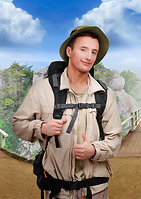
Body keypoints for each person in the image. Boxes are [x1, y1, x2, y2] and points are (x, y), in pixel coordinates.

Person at [12, 26, 122, 199]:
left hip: (96, 191)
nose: (88, 57)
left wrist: (94, 150)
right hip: (57, 191)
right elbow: (18, 124)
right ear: (69, 51)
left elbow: (114, 139)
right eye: (83, 49)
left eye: (94, 52)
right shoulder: (42, 89)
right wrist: (41, 128)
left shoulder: (105, 95)